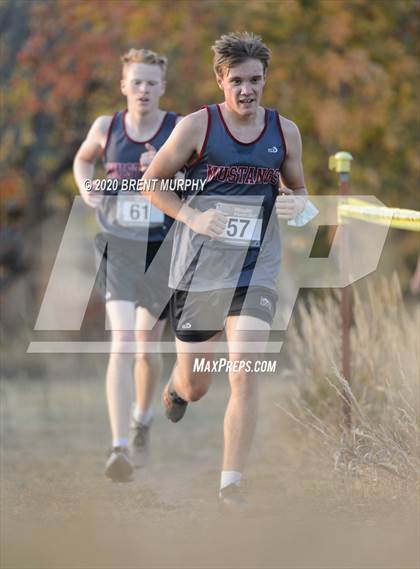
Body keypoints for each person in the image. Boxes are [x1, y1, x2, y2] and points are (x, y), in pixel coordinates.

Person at [142, 32, 308, 509]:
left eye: (255, 80)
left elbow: (299, 191)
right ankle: (177, 385)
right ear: (220, 80)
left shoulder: (284, 132)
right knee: (197, 384)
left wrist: (297, 204)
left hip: (255, 269)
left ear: (265, 79)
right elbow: (152, 184)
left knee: (244, 375)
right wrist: (193, 217)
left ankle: (231, 483)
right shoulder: (197, 128)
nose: (247, 90)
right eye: (236, 80)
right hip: (199, 271)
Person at [73, 48, 181, 482]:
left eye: (151, 82)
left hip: (162, 248)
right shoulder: (107, 127)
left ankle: (142, 417)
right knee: (122, 343)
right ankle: (118, 448)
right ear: (123, 86)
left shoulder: (177, 129)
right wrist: (87, 188)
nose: (143, 89)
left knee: (145, 348)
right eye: (136, 82)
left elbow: (203, 173)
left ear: (162, 88)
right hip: (119, 247)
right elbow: (83, 160)